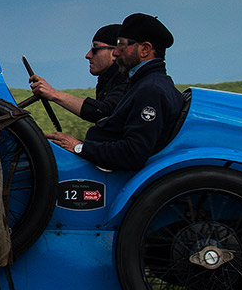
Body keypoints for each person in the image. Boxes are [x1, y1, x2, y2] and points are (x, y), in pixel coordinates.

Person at [45, 12, 185, 171]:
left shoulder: (150, 90)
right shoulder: (145, 83)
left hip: (112, 173)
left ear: (145, 49)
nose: (116, 52)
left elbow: (133, 153)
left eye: (121, 44)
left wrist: (79, 147)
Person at [27, 23, 131, 124]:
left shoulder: (127, 79)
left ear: (114, 52)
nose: (88, 55)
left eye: (95, 48)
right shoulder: (107, 81)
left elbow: (105, 112)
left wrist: (54, 94)